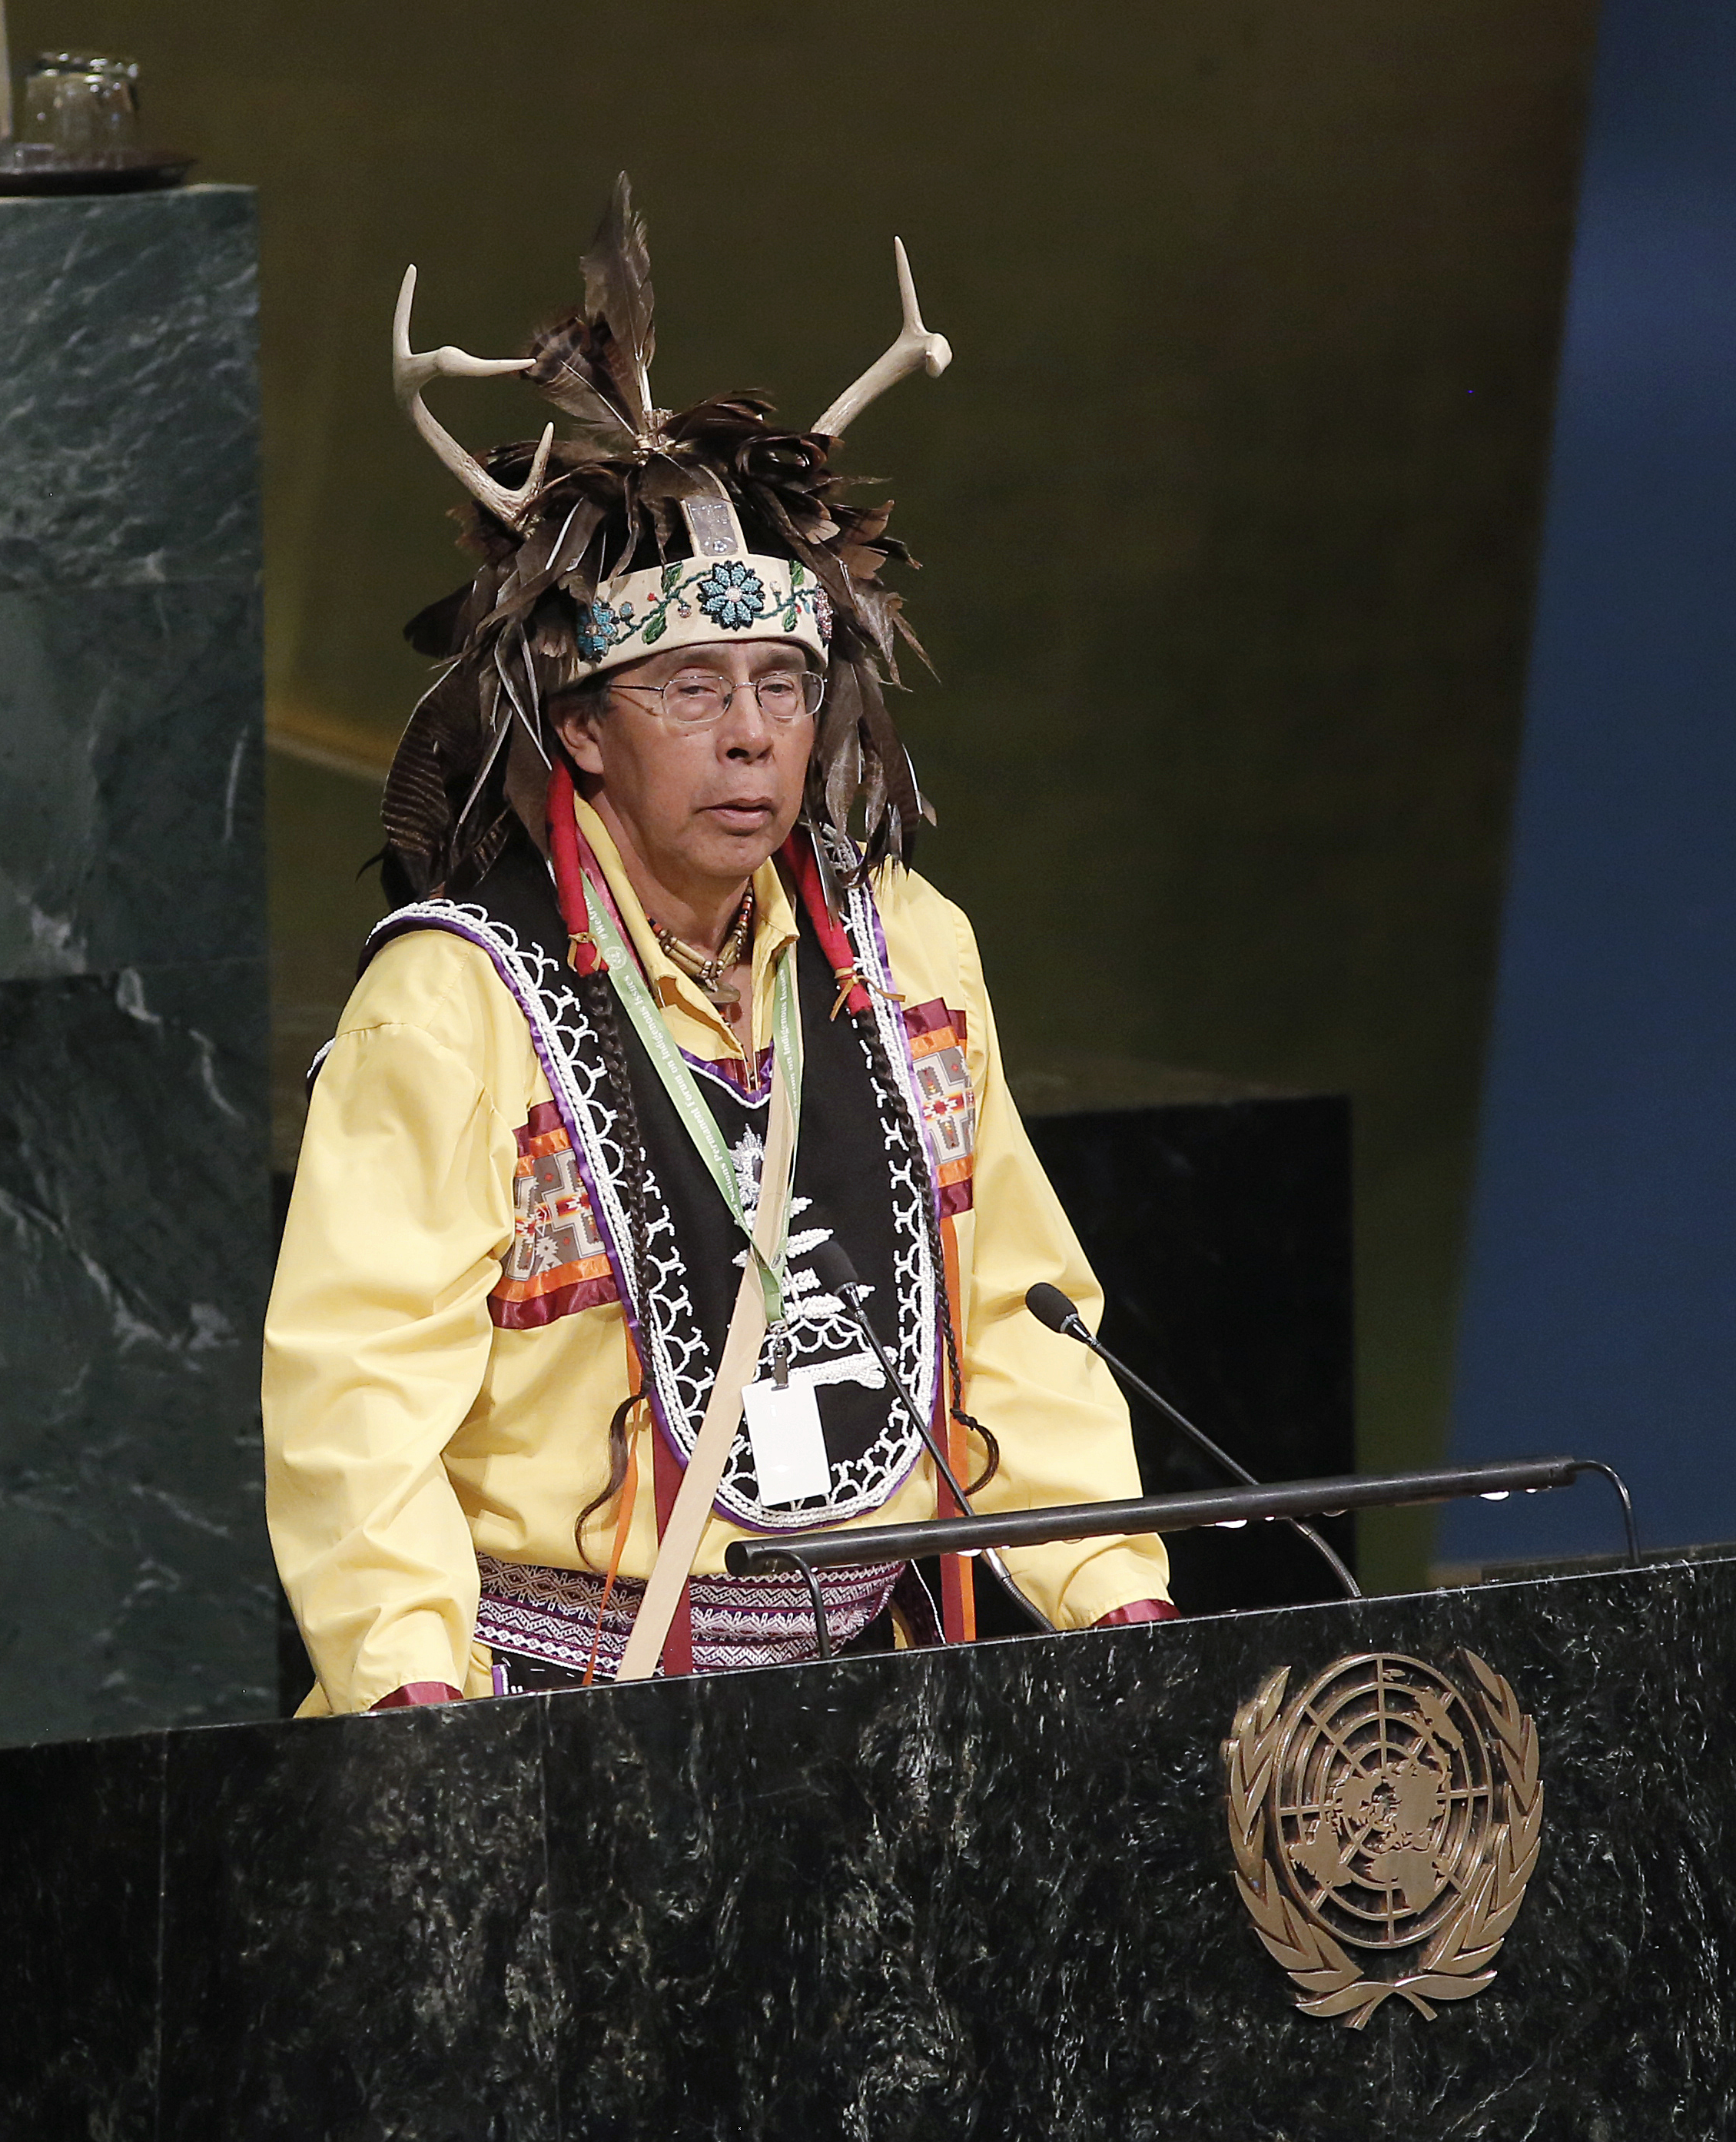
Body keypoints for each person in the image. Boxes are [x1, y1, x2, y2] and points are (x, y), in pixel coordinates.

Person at [264, 180, 1172, 1713]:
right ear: (582, 732)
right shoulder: (461, 1001)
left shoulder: (907, 952)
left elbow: (1016, 1306)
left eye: (781, 683)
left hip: (874, 1704)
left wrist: (1112, 1592)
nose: (752, 735)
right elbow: (355, 1398)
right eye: (689, 689)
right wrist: (417, 1701)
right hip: (559, 1702)